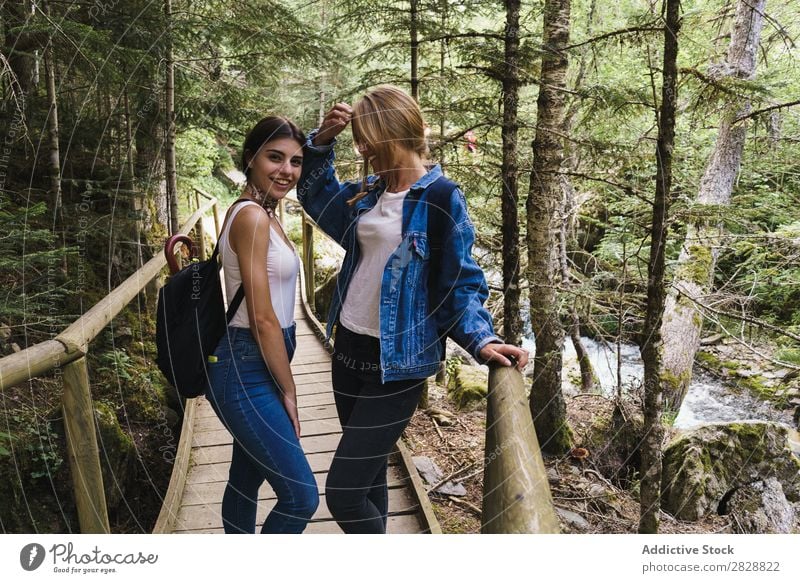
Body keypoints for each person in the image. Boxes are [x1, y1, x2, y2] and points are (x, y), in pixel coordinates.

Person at [297, 85, 528, 534]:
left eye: (367, 138)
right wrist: (321, 143)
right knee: (366, 484)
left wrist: (482, 339)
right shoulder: (366, 193)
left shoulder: (441, 197)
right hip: (347, 352)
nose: (361, 148)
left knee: (343, 494)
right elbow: (315, 197)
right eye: (358, 139)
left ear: (392, 133)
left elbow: (459, 282)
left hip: (398, 366)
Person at [205, 116, 319, 534]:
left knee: (246, 477)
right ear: (251, 157)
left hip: (260, 360)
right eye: (275, 157)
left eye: (295, 161)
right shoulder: (252, 217)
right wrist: (289, 391)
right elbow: (263, 317)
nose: (286, 170)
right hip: (246, 365)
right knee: (301, 496)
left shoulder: (266, 213)